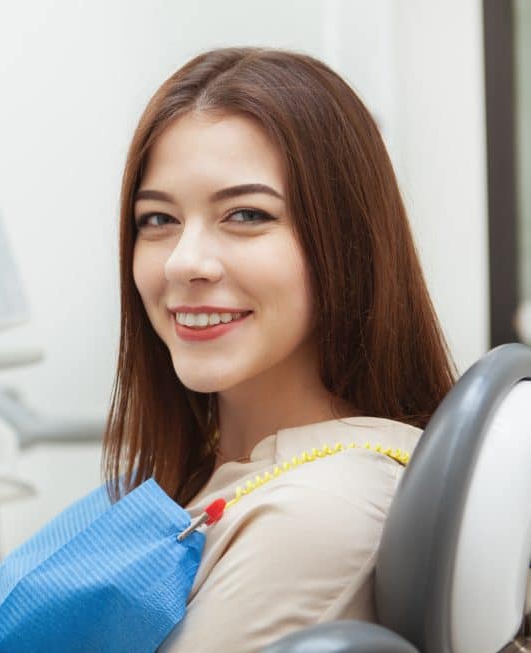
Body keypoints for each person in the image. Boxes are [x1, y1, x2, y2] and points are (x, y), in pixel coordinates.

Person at [102, 46, 459, 651]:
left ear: (345, 240)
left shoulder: (315, 513)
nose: (185, 263)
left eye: (245, 214)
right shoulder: (213, 465)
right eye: (158, 220)